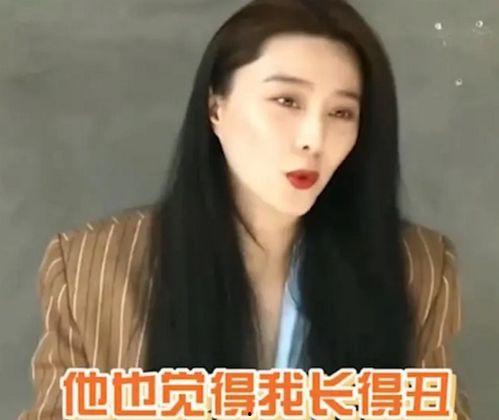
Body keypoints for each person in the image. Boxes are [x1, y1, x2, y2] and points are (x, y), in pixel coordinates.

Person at [19, 0, 471, 418]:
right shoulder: (89, 267)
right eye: (287, 101)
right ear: (216, 107)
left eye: (341, 113)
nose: (313, 138)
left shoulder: (418, 267)